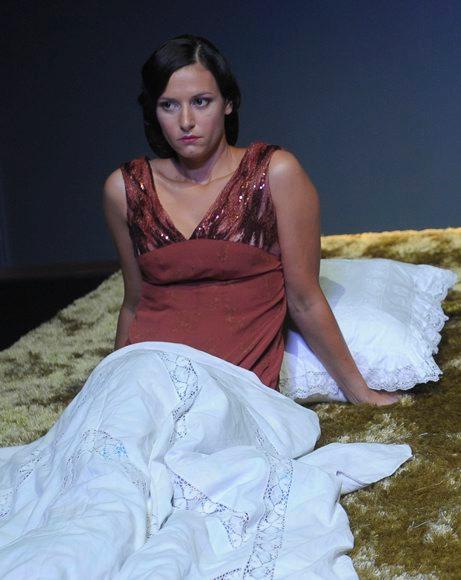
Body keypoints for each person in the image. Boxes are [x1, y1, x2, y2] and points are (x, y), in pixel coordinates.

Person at [0, 34, 411, 579]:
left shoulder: (275, 173)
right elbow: (134, 301)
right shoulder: (125, 188)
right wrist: (104, 390)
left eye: (201, 101)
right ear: (153, 112)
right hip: (143, 369)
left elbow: (304, 296)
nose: (187, 121)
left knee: (178, 500)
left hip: (228, 385)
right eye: (169, 105)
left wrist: (359, 391)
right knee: (100, 480)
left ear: (229, 103)